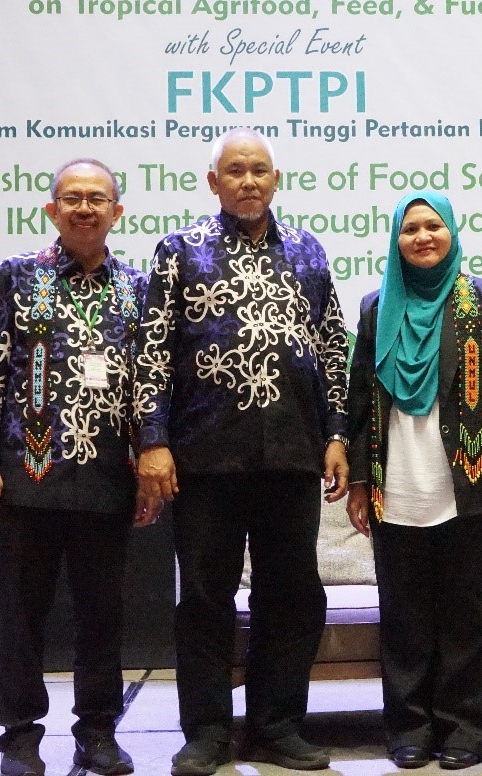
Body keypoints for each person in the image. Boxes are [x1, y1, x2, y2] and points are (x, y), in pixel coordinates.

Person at [134, 127, 349, 776]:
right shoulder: (179, 250)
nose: (248, 180)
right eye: (235, 170)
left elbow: (331, 346)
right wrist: (153, 441)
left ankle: (277, 728)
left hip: (291, 454)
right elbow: (151, 354)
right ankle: (206, 734)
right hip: (205, 457)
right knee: (205, 598)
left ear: (275, 179)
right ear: (213, 182)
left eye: (259, 170)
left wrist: (337, 434)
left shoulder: (307, 250)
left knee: (291, 596)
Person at [0, 158, 156, 776]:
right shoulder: (16, 277)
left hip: (107, 478)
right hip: (29, 475)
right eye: (72, 198)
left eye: (97, 199)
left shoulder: (139, 288)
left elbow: (150, 385)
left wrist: (148, 459)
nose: (85, 208)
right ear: (52, 210)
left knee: (102, 615)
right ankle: (19, 738)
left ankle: (97, 733)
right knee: (22, 615)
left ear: (117, 212)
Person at [346, 191, 482, 770]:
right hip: (396, 486)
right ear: (396, 241)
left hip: (472, 488)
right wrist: (360, 482)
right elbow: (360, 402)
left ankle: (465, 729)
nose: (423, 237)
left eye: (433, 226)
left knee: (470, 616)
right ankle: (409, 728)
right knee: (404, 617)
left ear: (452, 232)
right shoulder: (377, 307)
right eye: (410, 229)